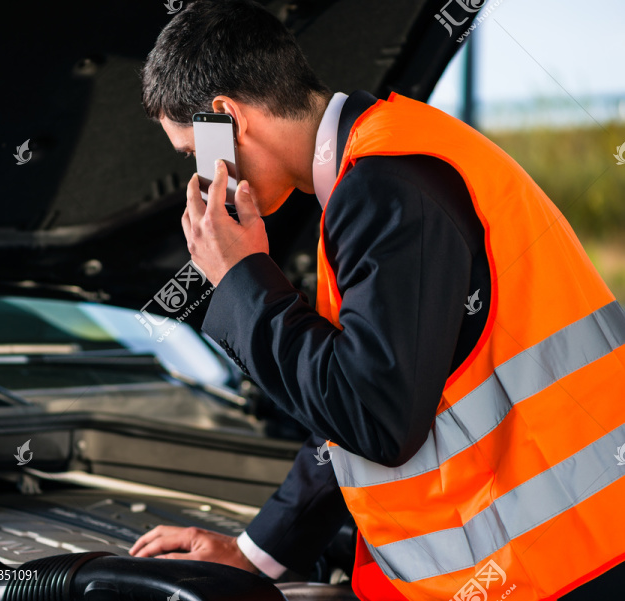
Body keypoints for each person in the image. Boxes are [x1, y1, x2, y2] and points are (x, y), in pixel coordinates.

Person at [128, 1, 625, 600]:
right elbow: (360, 401)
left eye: (193, 155)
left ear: (225, 119)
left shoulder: (383, 186)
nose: (201, 179)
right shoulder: (386, 160)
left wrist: (240, 278)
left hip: (567, 569)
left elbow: (375, 417)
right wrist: (257, 553)